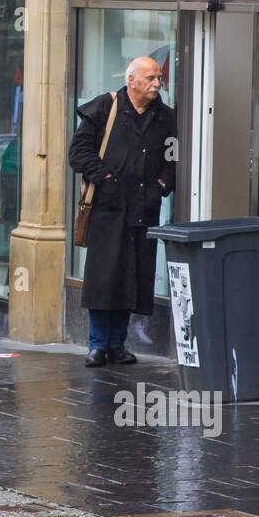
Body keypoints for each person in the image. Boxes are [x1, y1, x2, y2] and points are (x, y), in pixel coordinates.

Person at [68, 56, 177, 368]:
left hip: (144, 208)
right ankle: (98, 343)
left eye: (159, 78)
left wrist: (160, 185)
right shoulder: (106, 107)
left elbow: (174, 160)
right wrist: (104, 178)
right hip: (108, 208)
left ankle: (118, 343)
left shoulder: (165, 118)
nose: (157, 84)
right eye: (151, 78)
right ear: (132, 80)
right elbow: (79, 151)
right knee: (105, 276)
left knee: (133, 275)